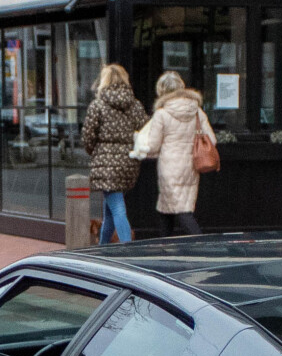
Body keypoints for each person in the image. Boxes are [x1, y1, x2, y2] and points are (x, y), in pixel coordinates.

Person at [132, 71, 213, 236]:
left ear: (161, 91)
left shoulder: (162, 114)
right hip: (191, 167)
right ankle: (165, 245)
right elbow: (211, 139)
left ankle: (201, 243)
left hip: (169, 168)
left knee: (181, 212)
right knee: (167, 209)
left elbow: (153, 146)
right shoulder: (196, 111)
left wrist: (139, 145)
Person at [77, 63, 146, 243]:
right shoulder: (135, 105)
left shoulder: (98, 105)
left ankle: (127, 248)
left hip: (105, 163)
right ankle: (102, 248)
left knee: (117, 207)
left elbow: (88, 135)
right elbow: (145, 130)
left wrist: (95, 152)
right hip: (128, 162)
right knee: (109, 209)